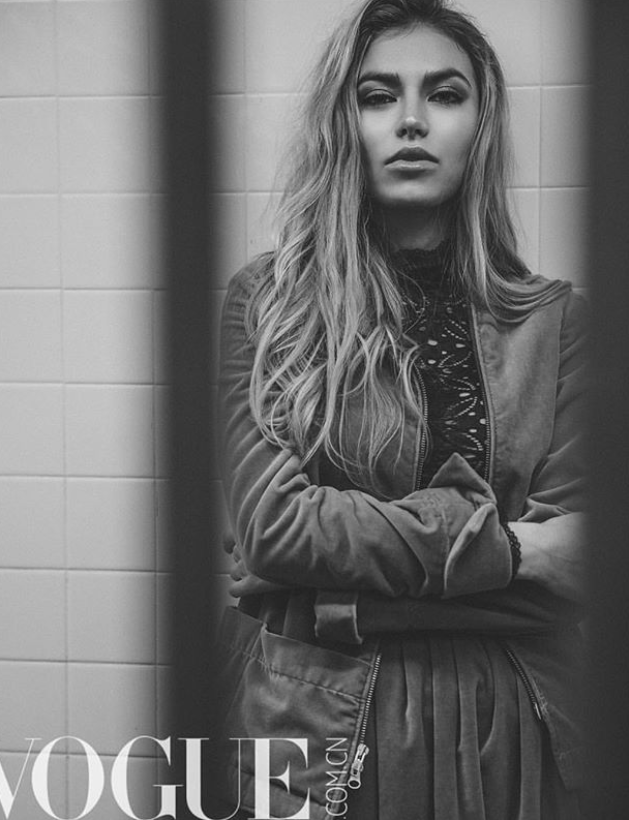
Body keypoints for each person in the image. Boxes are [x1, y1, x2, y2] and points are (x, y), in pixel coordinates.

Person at [218, 0, 587, 817]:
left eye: (445, 95)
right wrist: (514, 553)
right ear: (342, 121)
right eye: (379, 95)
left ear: (480, 123)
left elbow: (584, 565)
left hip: (516, 726)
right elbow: (274, 530)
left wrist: (327, 593)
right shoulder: (268, 305)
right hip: (318, 732)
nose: (412, 120)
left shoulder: (558, 322)